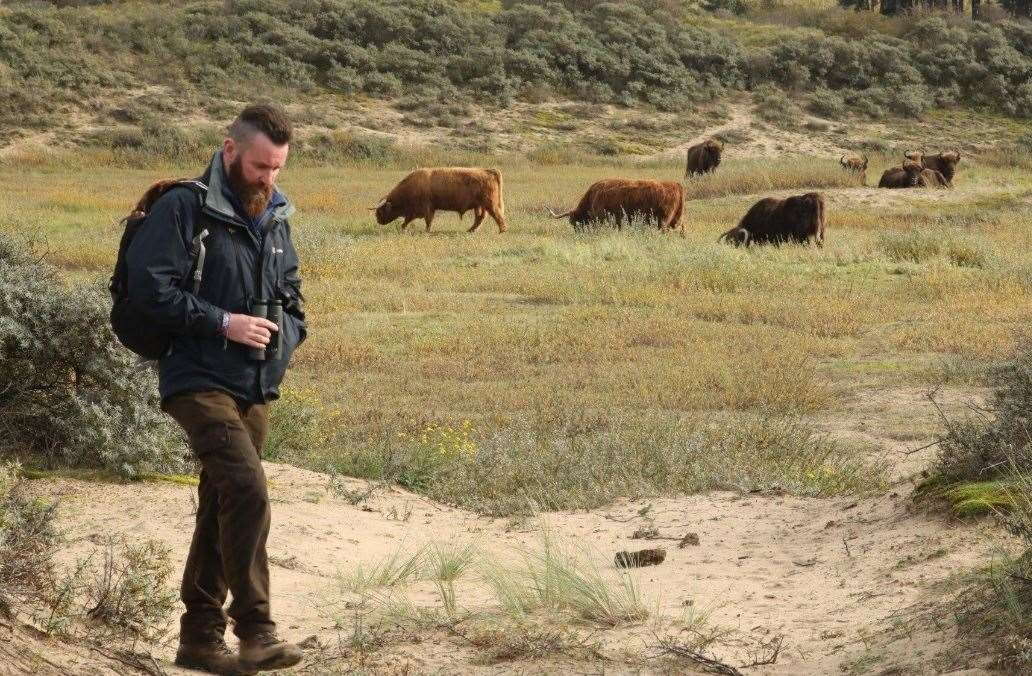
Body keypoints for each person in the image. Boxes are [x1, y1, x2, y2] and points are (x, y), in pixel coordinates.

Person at [126, 103, 306, 675]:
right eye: (259, 167)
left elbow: (293, 296)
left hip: (254, 382)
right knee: (248, 488)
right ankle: (256, 629)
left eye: (277, 168)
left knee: (221, 501)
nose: (268, 179)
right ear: (229, 150)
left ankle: (199, 639)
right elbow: (149, 290)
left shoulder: (276, 215)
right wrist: (223, 322)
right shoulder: (183, 208)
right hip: (196, 377)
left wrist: (285, 337)